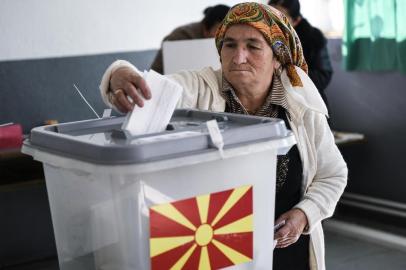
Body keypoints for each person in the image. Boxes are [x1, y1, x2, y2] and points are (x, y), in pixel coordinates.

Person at [99, 3, 347, 270]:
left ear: (277, 57)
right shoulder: (201, 88)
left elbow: (332, 174)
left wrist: (303, 215)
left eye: (253, 46)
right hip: (215, 248)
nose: (238, 57)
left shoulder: (302, 106)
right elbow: (151, 89)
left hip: (285, 250)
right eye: (229, 45)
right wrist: (118, 75)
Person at [269, 0, 333, 116]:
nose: (273, 22)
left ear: (296, 21)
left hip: (306, 105)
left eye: (281, 17)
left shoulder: (312, 38)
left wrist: (286, 71)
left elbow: (323, 76)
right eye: (269, 14)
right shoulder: (259, 35)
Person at [150, 4, 230, 74]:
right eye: (220, 33)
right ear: (206, 29)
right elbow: (158, 73)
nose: (223, 38)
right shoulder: (180, 37)